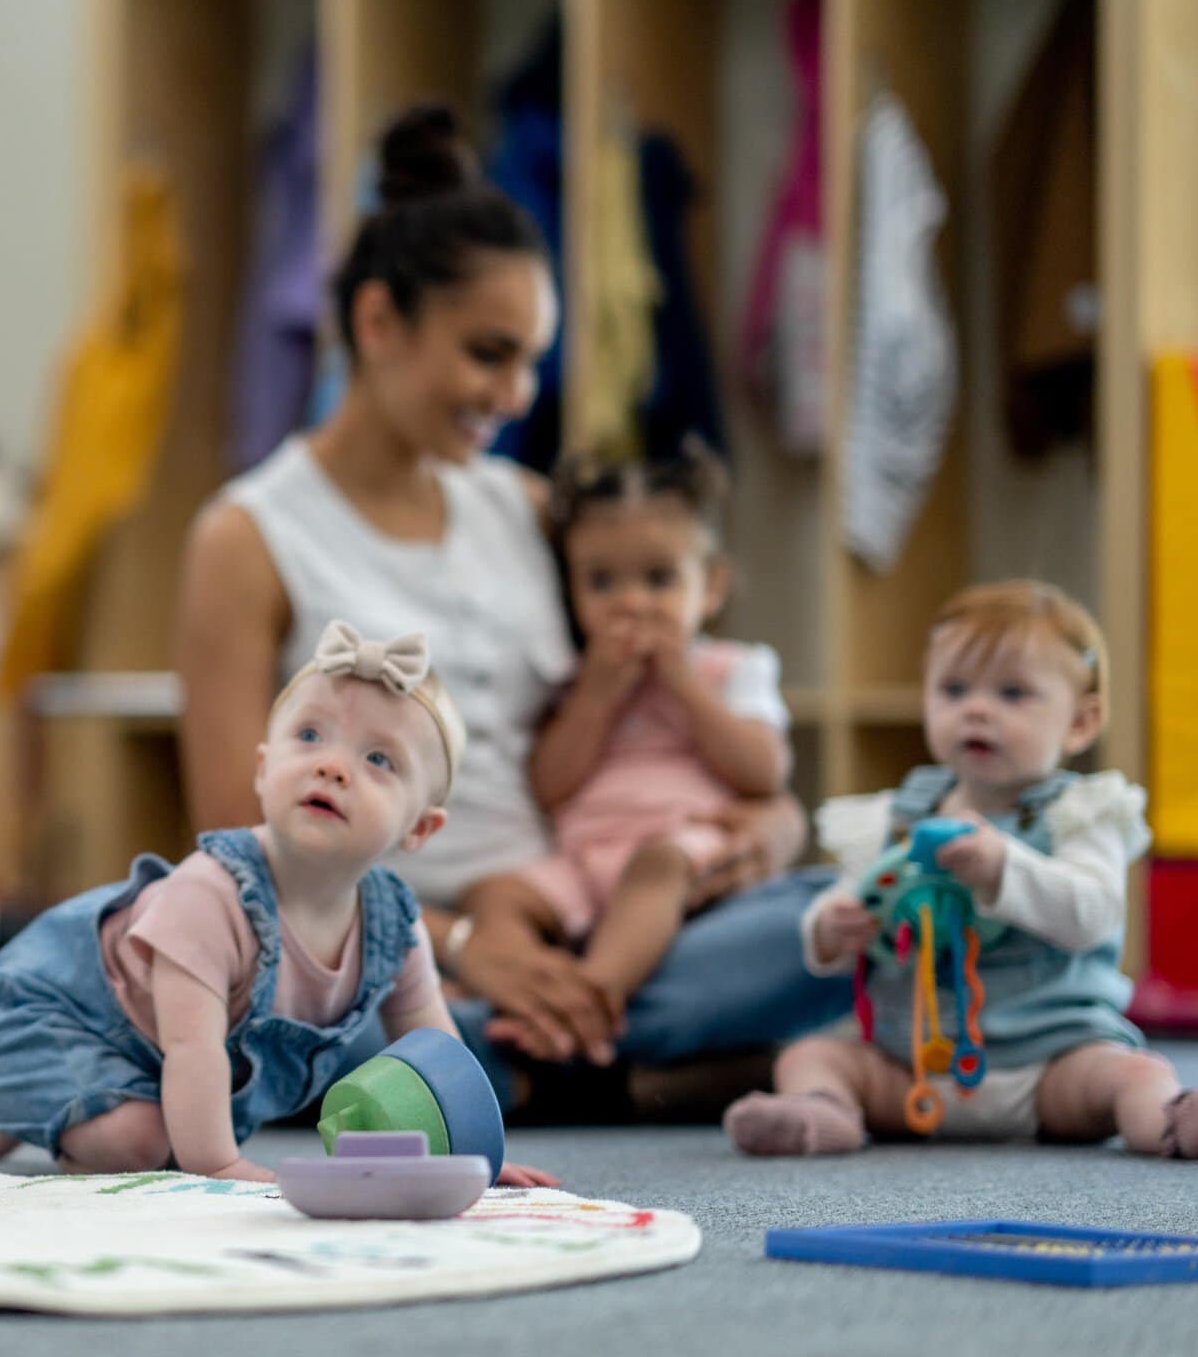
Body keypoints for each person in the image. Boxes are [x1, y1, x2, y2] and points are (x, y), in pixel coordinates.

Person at [174, 102, 848, 1114]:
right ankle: (601, 1063)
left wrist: (767, 824)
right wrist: (458, 945)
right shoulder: (248, 535)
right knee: (281, 1003)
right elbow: (235, 835)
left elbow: (648, 713)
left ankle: (543, 1055)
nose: (520, 392)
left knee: (851, 919)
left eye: (533, 357)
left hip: (584, 914)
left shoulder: (527, 509)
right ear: (377, 324)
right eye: (491, 353)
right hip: (376, 940)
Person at [0, 622, 552, 1184]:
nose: (331, 766)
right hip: (43, 1020)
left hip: (153, 1061)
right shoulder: (212, 893)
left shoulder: (395, 926)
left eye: (378, 760)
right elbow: (194, 1049)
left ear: (420, 829)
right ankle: (31, 1108)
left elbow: (435, 1053)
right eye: (310, 736)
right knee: (141, 1143)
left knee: (158, 1117)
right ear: (264, 771)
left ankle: (56, 1109)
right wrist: (217, 1166)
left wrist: (471, 1156)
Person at [726, 581, 1198, 1157]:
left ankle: (1170, 1123)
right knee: (810, 1055)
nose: (976, 709)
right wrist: (832, 929)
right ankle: (823, 1113)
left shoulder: (1080, 815)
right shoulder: (893, 817)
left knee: (1133, 1071)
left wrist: (1004, 867)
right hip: (911, 1066)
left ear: (1080, 723)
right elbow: (846, 899)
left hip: (1050, 1061)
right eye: (953, 690)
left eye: (1013, 693)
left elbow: (1094, 913)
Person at [494, 446, 791, 1017]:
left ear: (710, 587)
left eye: (659, 579)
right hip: (584, 859)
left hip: (682, 851)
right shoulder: (576, 680)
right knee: (501, 896)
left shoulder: (731, 668)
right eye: (601, 582)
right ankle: (536, 989)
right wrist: (596, 697)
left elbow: (765, 772)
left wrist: (684, 685)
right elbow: (549, 786)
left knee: (656, 868)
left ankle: (592, 997)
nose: (631, 603)